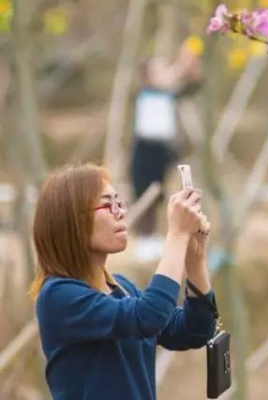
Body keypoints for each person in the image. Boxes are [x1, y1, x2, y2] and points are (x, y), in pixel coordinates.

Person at [29, 162, 216, 400]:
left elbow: (194, 331)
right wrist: (177, 235)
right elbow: (150, 315)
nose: (120, 212)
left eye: (119, 203)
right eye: (108, 205)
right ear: (71, 221)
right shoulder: (59, 296)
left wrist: (195, 261)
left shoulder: (122, 288)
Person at [130, 43, 202, 262]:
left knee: (159, 193)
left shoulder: (165, 95)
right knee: (146, 192)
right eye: (159, 70)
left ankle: (151, 238)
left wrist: (192, 69)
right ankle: (144, 239)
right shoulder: (148, 93)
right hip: (146, 149)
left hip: (162, 149)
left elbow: (190, 87)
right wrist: (181, 63)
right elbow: (168, 82)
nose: (164, 73)